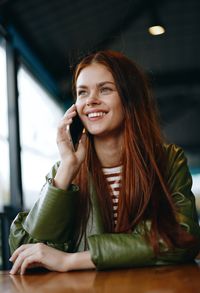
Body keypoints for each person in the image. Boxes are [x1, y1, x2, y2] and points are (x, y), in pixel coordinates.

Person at [9, 50, 200, 275]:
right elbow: (25, 249)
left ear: (130, 99)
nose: (91, 100)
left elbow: (181, 238)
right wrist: (68, 167)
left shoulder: (167, 160)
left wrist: (70, 261)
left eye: (105, 89)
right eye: (82, 92)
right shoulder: (64, 171)